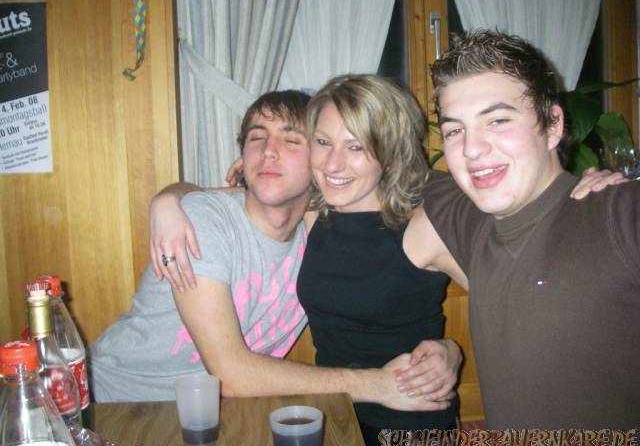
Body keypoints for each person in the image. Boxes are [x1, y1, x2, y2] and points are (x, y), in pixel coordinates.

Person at [90, 89, 456, 413]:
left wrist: (448, 348)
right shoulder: (203, 220)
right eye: (256, 138)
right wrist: (381, 385)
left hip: (211, 417)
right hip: (112, 404)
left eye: (291, 140)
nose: (268, 151)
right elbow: (232, 376)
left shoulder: (317, 231)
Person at [402, 30, 640, 434]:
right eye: (455, 130)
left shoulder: (617, 214)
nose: (472, 149)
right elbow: (399, 168)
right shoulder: (471, 223)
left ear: (553, 125)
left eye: (497, 121)